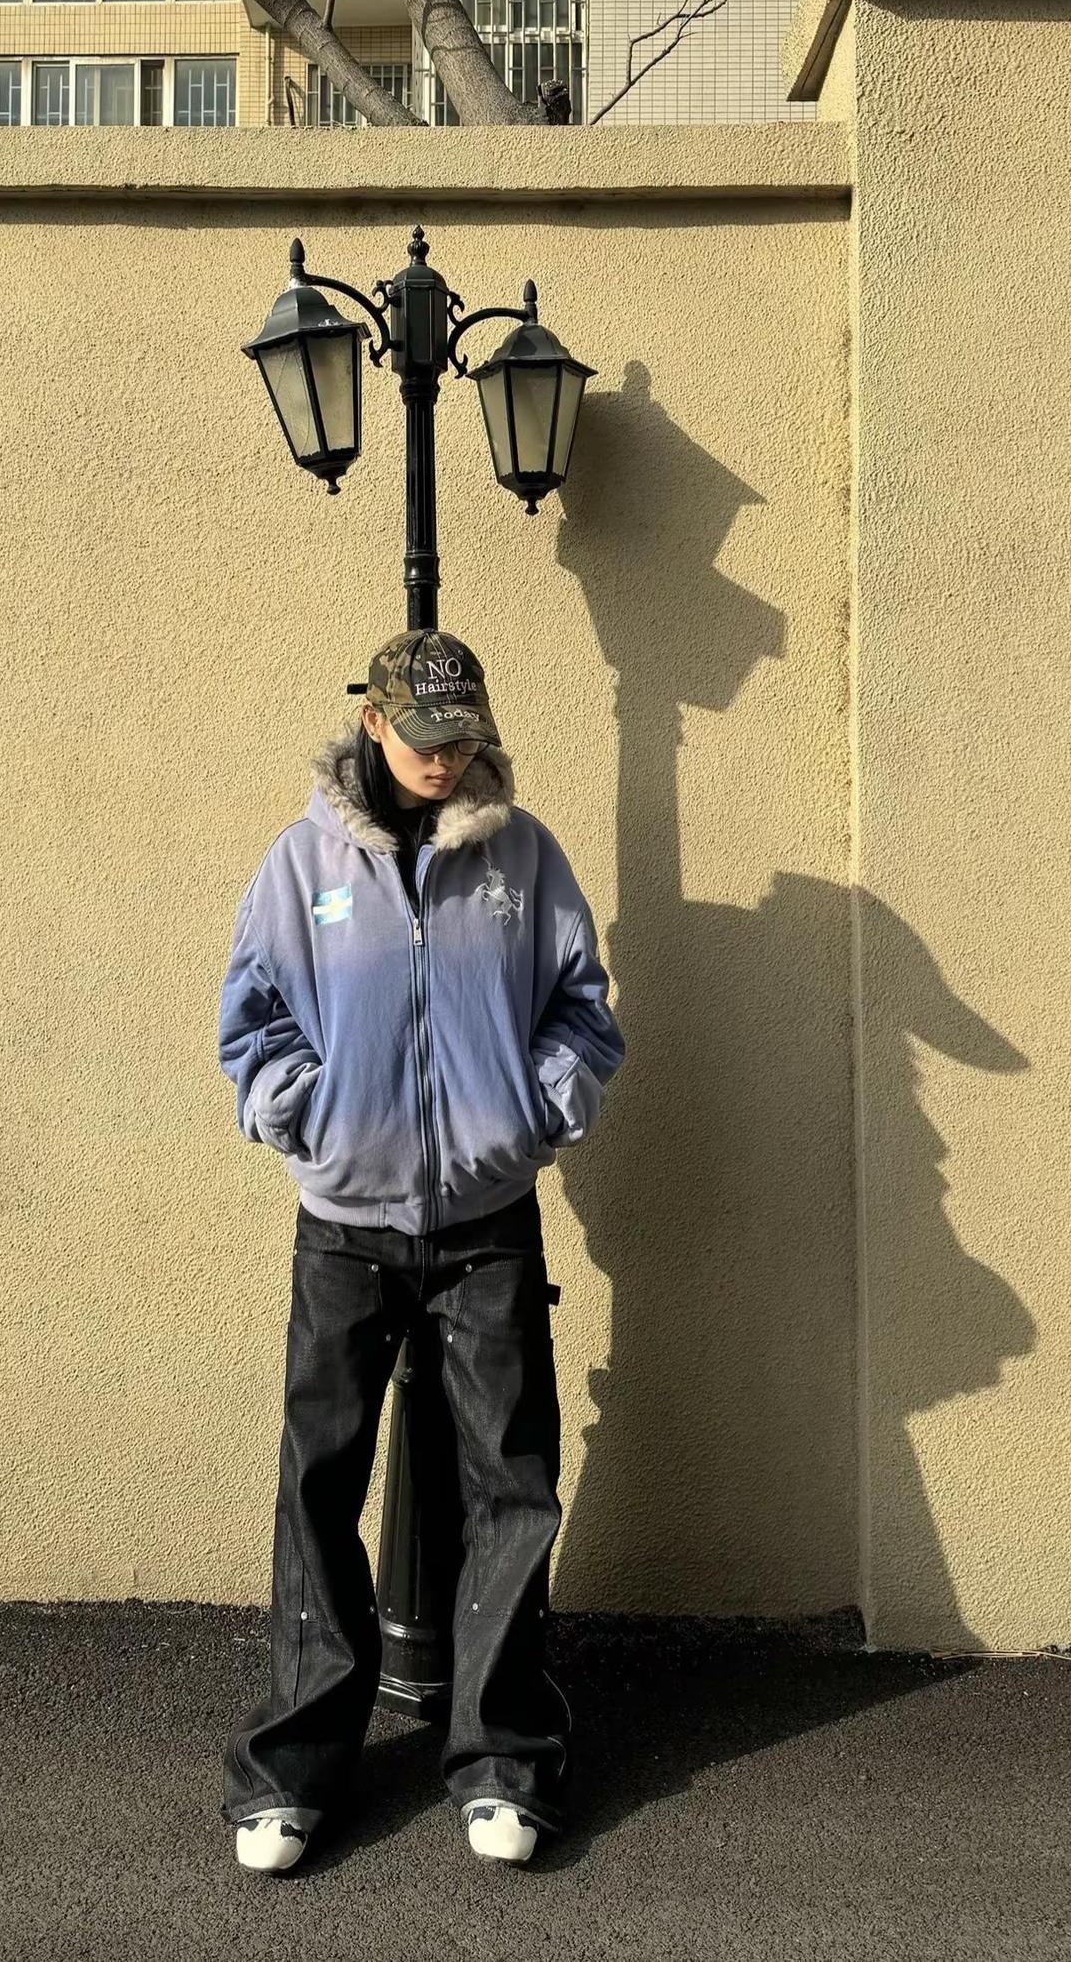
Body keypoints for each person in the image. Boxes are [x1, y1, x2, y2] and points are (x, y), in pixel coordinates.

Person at [216, 628, 626, 1872]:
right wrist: (313, 1117)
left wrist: (530, 1111)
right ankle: (293, 1768)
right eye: (422, 736)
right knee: (319, 1478)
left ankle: (502, 1758)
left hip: (485, 1220)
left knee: (512, 1479)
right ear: (373, 723)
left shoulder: (522, 857)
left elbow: (582, 1009)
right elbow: (251, 1020)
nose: (443, 759)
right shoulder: (300, 865)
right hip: (346, 1224)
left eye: (462, 737)